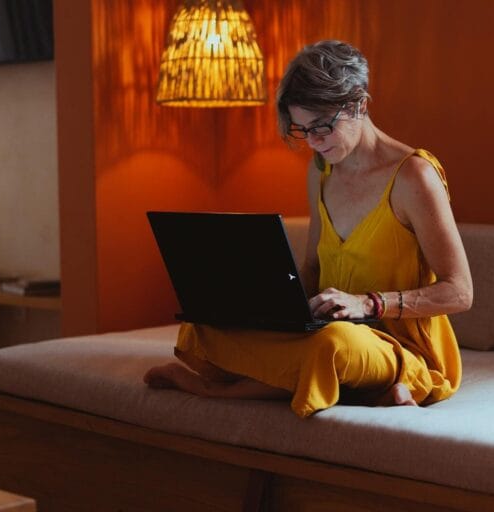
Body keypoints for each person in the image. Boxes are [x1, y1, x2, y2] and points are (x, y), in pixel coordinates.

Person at [144, 40, 473, 418]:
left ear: (360, 104)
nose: (313, 142)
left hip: (397, 344)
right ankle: (365, 390)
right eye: (302, 131)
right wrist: (260, 305)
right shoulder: (320, 171)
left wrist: (367, 303)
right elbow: (313, 271)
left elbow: (459, 292)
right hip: (332, 327)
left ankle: (214, 389)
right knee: (201, 327)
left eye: (322, 127)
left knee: (331, 345)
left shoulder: (414, 176)